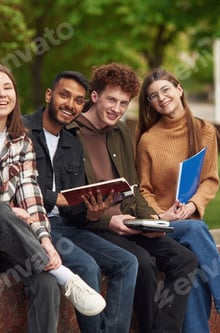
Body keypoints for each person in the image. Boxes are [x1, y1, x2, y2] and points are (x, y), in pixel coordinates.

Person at [0, 63, 105, 333]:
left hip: (12, 245)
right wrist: (6, 212)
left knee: (46, 284)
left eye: (8, 87)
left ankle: (55, 274)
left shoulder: (21, 143)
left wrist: (46, 242)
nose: (2, 94)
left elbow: (32, 200)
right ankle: (65, 276)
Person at [67, 63, 199, 333]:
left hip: (132, 223)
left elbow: (133, 187)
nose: (117, 108)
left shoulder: (121, 132)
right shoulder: (71, 134)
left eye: (124, 103)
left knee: (185, 260)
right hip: (97, 227)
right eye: (111, 100)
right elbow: (71, 201)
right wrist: (108, 221)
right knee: (143, 264)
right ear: (95, 97)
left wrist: (154, 219)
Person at [135, 68, 220, 333]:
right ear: (149, 104)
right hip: (161, 224)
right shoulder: (148, 140)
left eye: (165, 90)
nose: (161, 98)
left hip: (190, 224)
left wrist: (193, 205)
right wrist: (163, 215)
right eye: (152, 96)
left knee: (192, 270)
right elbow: (143, 189)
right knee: (196, 230)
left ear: (179, 89)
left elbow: (210, 179)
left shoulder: (204, 131)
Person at [22, 70, 138, 333]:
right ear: (49, 95)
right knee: (87, 266)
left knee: (127, 262)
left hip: (66, 227)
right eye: (64, 95)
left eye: (77, 100)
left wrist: (94, 213)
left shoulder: (72, 143)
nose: (70, 105)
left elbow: (74, 210)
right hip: (32, 225)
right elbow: (14, 186)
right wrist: (57, 199)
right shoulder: (23, 131)